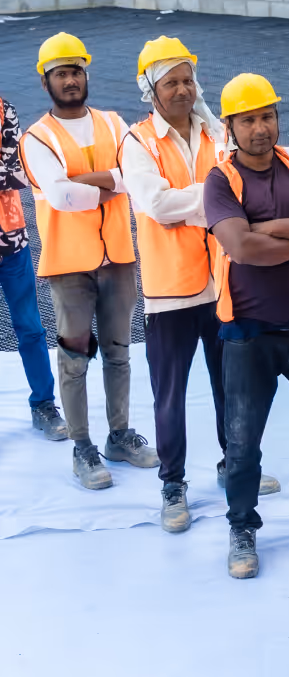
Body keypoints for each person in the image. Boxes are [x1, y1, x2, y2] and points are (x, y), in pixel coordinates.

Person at [205, 74, 289, 579]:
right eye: (249, 119)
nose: (261, 128)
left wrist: (271, 228)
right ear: (231, 126)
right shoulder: (221, 180)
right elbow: (241, 247)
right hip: (248, 333)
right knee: (242, 441)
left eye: (267, 116)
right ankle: (242, 528)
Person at [21, 32, 156, 490]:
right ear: (46, 82)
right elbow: (59, 196)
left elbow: (135, 178)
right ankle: (83, 447)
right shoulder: (37, 137)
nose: (70, 79)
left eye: (76, 70)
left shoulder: (115, 124)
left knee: (119, 353)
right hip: (69, 266)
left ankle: (119, 436)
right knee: (76, 358)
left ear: (85, 74)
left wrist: (81, 180)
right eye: (61, 73)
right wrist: (109, 182)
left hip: (118, 258)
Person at [122, 37, 243, 534]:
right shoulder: (137, 141)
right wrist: (215, 197)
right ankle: (173, 483)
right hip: (169, 291)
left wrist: (204, 196)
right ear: (151, 89)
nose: (182, 90)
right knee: (168, 396)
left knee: (230, 389)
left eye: (188, 79)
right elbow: (156, 205)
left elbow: (240, 182)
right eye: (171, 82)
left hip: (221, 285)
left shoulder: (216, 134)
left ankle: (233, 464)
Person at [0, 89, 66, 442]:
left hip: (11, 240)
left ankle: (43, 404)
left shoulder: (3, 110)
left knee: (30, 327)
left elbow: (16, 174)